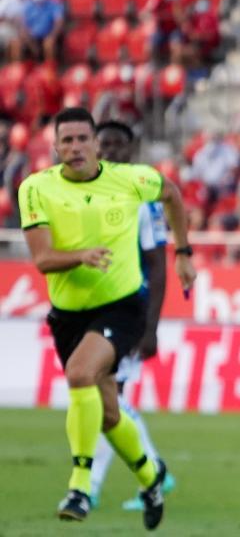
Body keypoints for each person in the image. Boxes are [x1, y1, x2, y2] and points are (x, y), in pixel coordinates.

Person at [17, 107, 195, 529]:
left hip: (122, 305)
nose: (75, 147)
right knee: (111, 414)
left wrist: (184, 253)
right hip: (68, 314)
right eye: (67, 141)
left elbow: (172, 194)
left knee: (80, 374)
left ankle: (80, 487)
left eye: (83, 139)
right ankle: (152, 479)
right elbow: (43, 260)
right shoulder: (35, 189)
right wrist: (81, 256)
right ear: (56, 147)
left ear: (96, 143)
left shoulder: (131, 179)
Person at [89, 120, 178, 511]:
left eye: (118, 145)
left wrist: (150, 327)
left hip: (126, 311)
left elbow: (158, 265)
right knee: (105, 399)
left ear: (131, 150)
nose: (110, 151)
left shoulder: (142, 198)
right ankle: (156, 471)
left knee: (106, 399)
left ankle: (88, 488)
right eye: (103, 144)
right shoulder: (83, 196)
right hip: (90, 311)